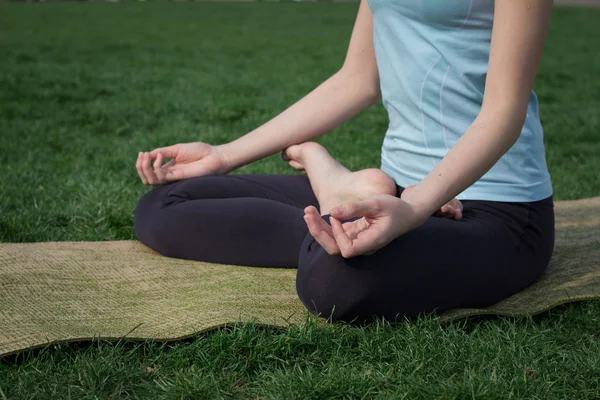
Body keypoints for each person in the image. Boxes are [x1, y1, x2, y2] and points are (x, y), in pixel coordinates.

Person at [134, 0, 555, 324]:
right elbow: (356, 81)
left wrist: (416, 207)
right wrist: (223, 155)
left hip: (497, 208)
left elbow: (504, 114)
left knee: (334, 282)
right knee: (163, 206)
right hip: (392, 189)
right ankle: (346, 203)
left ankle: (335, 194)